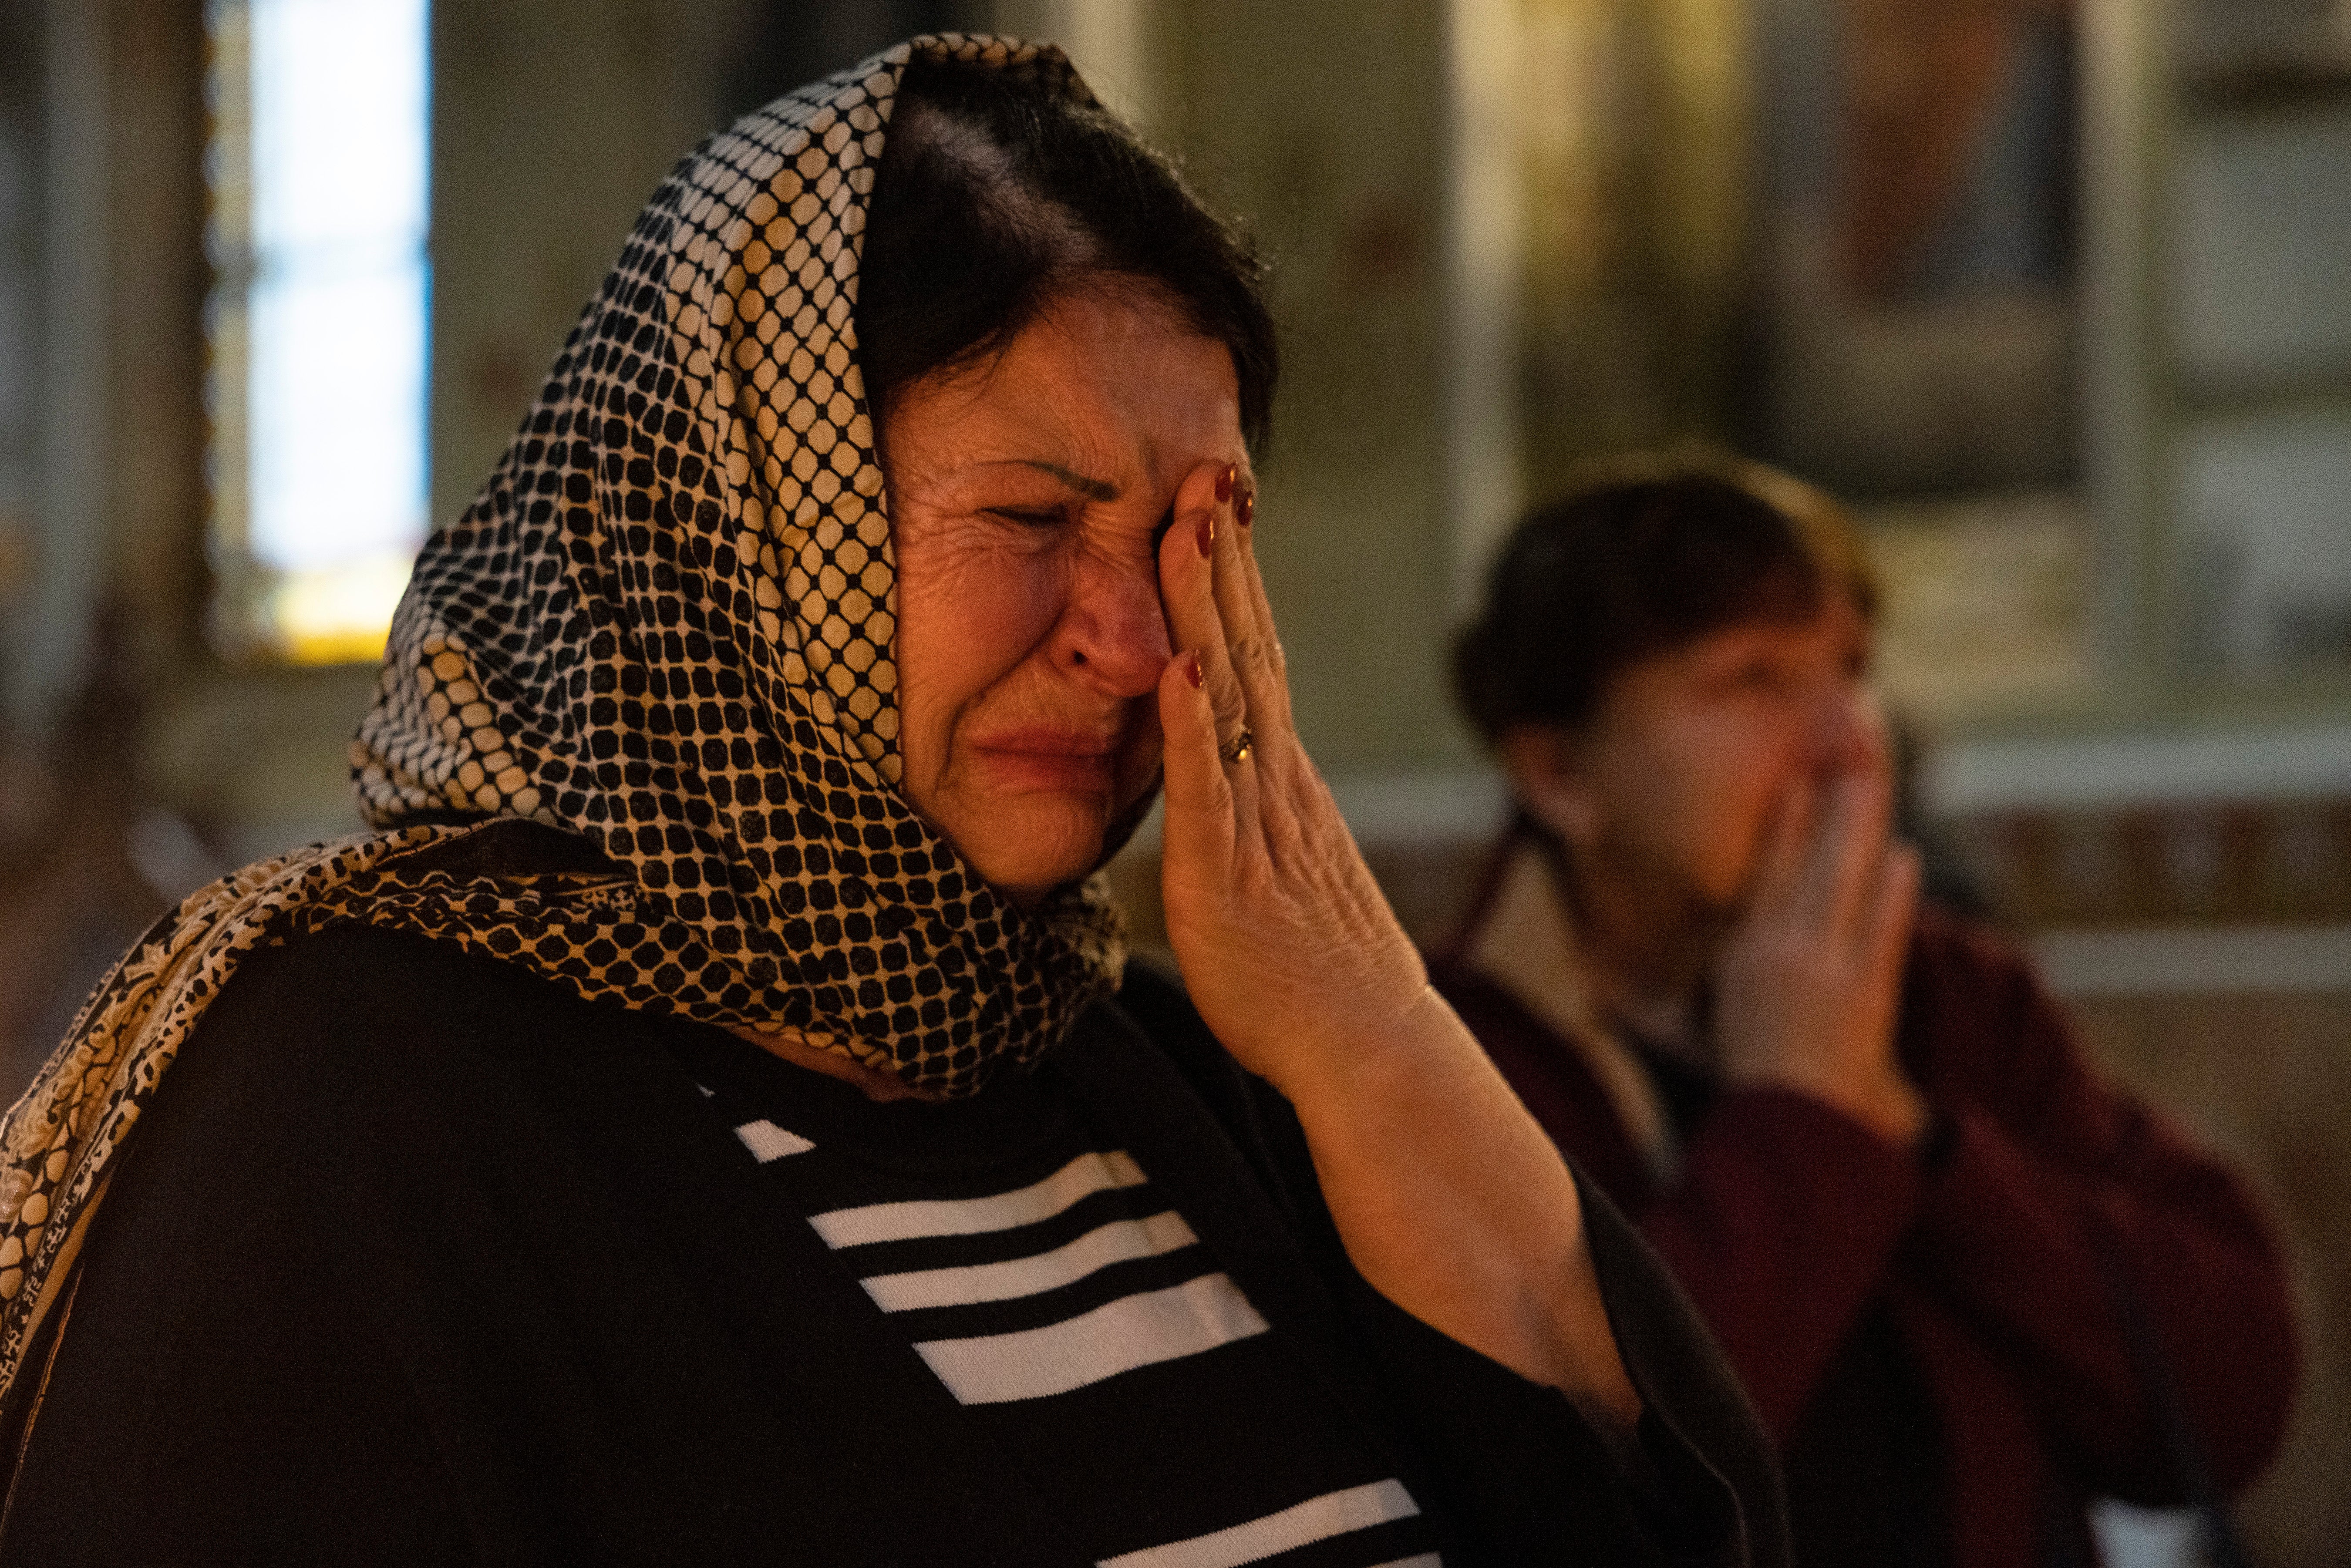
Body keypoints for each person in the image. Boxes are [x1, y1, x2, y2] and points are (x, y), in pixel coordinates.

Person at [0, 39, 1785, 1565]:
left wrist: (1367, 1026)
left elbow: (1661, 1526)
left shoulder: (1150, 1066)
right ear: (735, 538)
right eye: (1030, 522)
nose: (1133, 634)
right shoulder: (356, 1091)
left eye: (1195, 538)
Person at [1434, 454, 2299, 1568]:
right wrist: (1800, 1116)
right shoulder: (1453, 1065)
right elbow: (1582, 1501)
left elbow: (2230, 1397)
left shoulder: (1951, 997)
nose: (1848, 739)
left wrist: (1914, 1132)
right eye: (1751, 679)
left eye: (1851, 669)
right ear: (1557, 772)